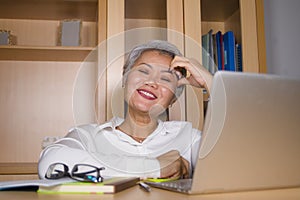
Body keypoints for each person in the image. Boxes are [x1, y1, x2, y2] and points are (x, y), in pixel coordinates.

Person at [38, 40, 212, 180]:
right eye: (143, 71)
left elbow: (234, 167)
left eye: (166, 78)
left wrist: (211, 84)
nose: (152, 82)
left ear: (174, 98)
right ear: (124, 80)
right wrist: (153, 167)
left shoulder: (189, 138)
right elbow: (51, 163)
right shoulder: (88, 136)